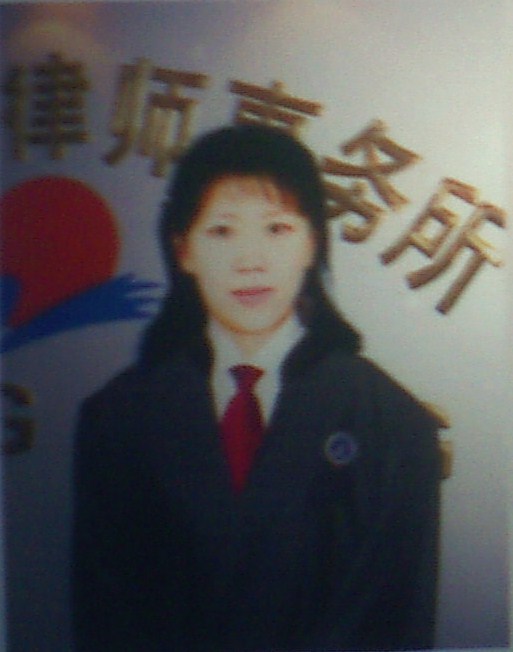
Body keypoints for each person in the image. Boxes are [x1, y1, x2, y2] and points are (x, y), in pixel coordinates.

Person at [72, 124, 441, 652]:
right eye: (222, 232)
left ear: (312, 242)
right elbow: (106, 620)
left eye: (276, 229)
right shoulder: (117, 420)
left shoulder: (392, 424)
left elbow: (396, 620)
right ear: (183, 250)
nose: (251, 260)